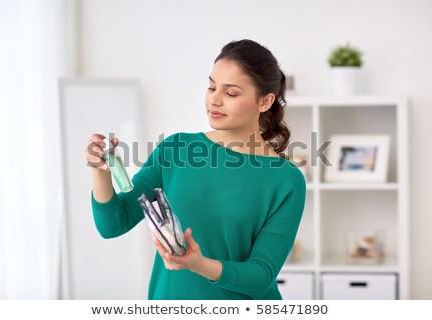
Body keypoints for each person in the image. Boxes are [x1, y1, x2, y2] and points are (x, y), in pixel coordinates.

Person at [85, 39, 306, 300]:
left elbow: (261, 276)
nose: (214, 100)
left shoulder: (286, 180)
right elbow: (113, 224)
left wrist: (197, 264)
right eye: (211, 86)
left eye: (231, 93)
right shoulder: (176, 150)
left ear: (264, 102)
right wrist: (100, 172)